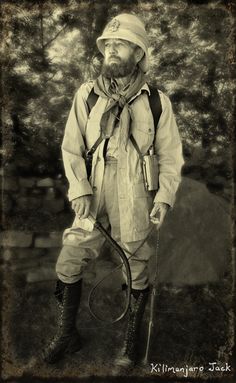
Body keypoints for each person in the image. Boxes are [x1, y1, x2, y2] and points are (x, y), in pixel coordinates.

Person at [43, 13, 184, 370]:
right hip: (94, 190)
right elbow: (71, 148)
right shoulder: (87, 95)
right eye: (108, 45)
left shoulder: (156, 103)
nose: (112, 50)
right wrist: (79, 189)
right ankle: (66, 334)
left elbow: (170, 157)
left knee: (136, 268)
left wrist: (163, 197)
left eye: (120, 45)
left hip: (135, 194)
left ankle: (130, 343)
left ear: (138, 53)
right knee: (69, 260)